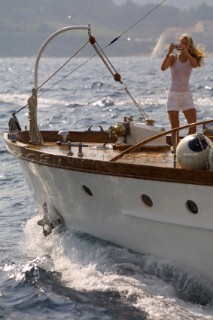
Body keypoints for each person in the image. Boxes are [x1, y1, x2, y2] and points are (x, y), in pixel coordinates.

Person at [161, 34, 205, 148]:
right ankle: (175, 149)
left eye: (185, 43)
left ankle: (186, 147)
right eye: (181, 43)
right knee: (175, 128)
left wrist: (186, 52)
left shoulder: (191, 59)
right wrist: (168, 53)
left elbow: (195, 64)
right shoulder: (173, 57)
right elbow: (163, 68)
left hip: (186, 96)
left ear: (189, 46)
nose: (182, 45)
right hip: (173, 95)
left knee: (193, 125)